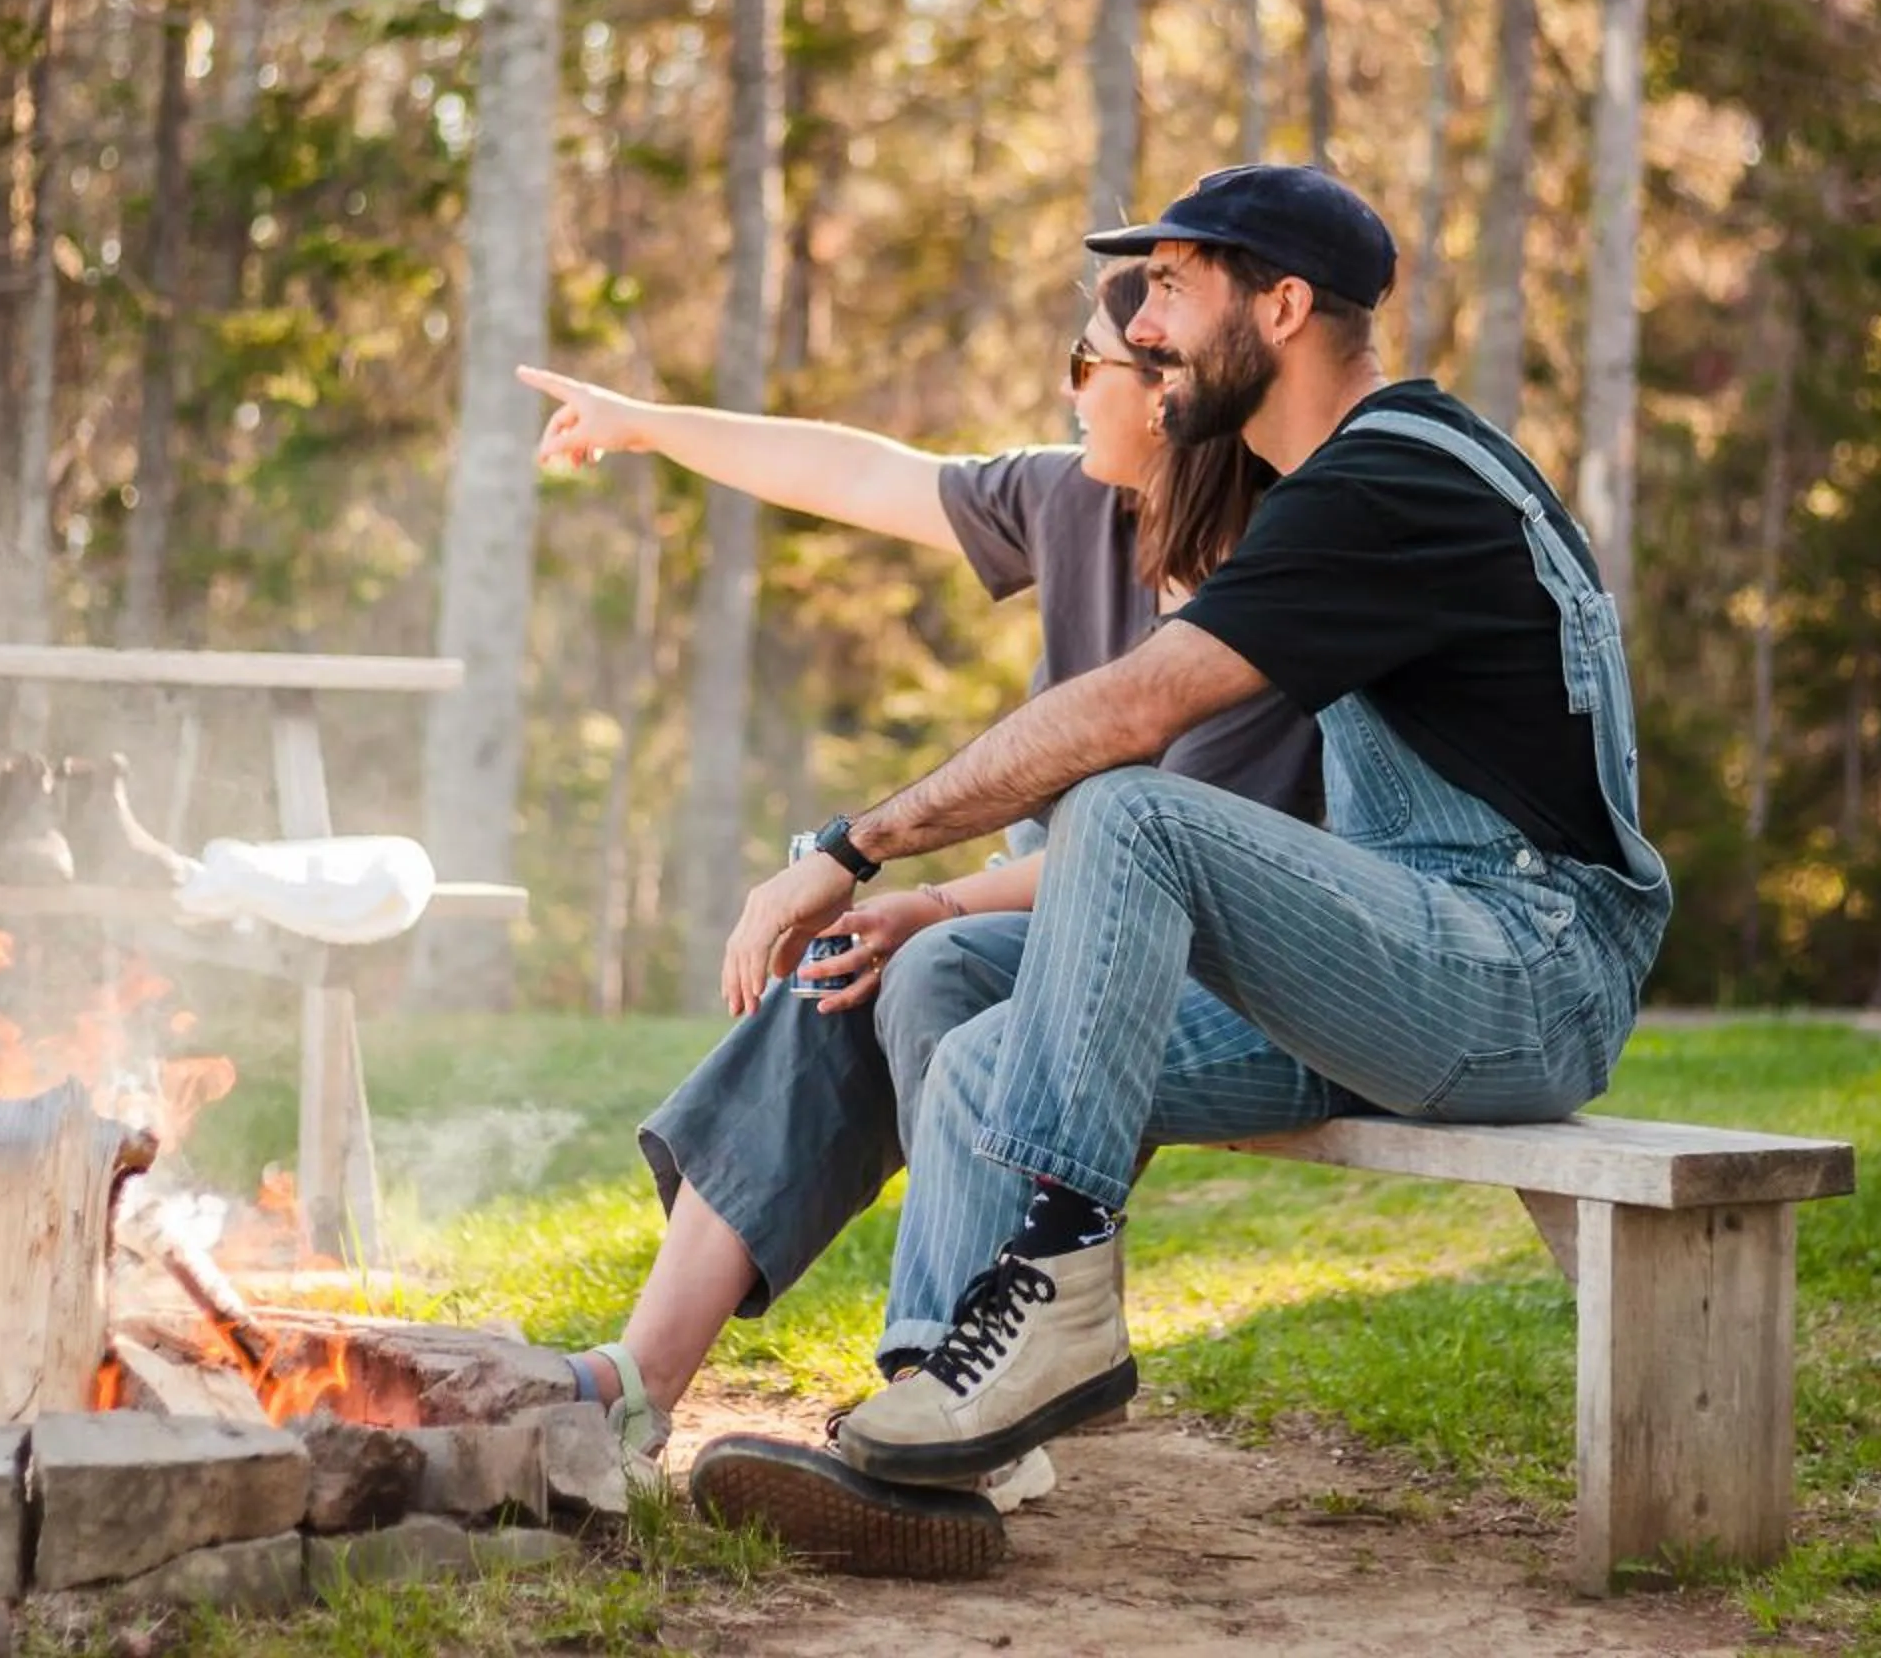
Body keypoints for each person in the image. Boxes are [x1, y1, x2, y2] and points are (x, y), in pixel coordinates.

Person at [696, 164, 1672, 1548]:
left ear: (1281, 306)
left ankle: (1057, 1292)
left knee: (1127, 806)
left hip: (1527, 970)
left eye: (1170, 286)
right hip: (1401, 964)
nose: (1141, 325)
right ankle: (940, 1426)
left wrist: (853, 848)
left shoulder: (1394, 478)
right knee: (980, 1055)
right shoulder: (1321, 487)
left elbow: (1136, 714)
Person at [514, 264, 1322, 1546]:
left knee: (921, 957)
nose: (1065, 390)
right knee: (858, 964)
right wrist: (650, 423)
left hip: (1224, 960)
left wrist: (932, 895)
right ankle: (639, 1383)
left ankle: (951, 1404)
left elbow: (1166, 858)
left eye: (1088, 363)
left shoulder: (1271, 578)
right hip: (1048, 926)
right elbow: (860, 472)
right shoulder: (1075, 503)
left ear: (1171, 391)